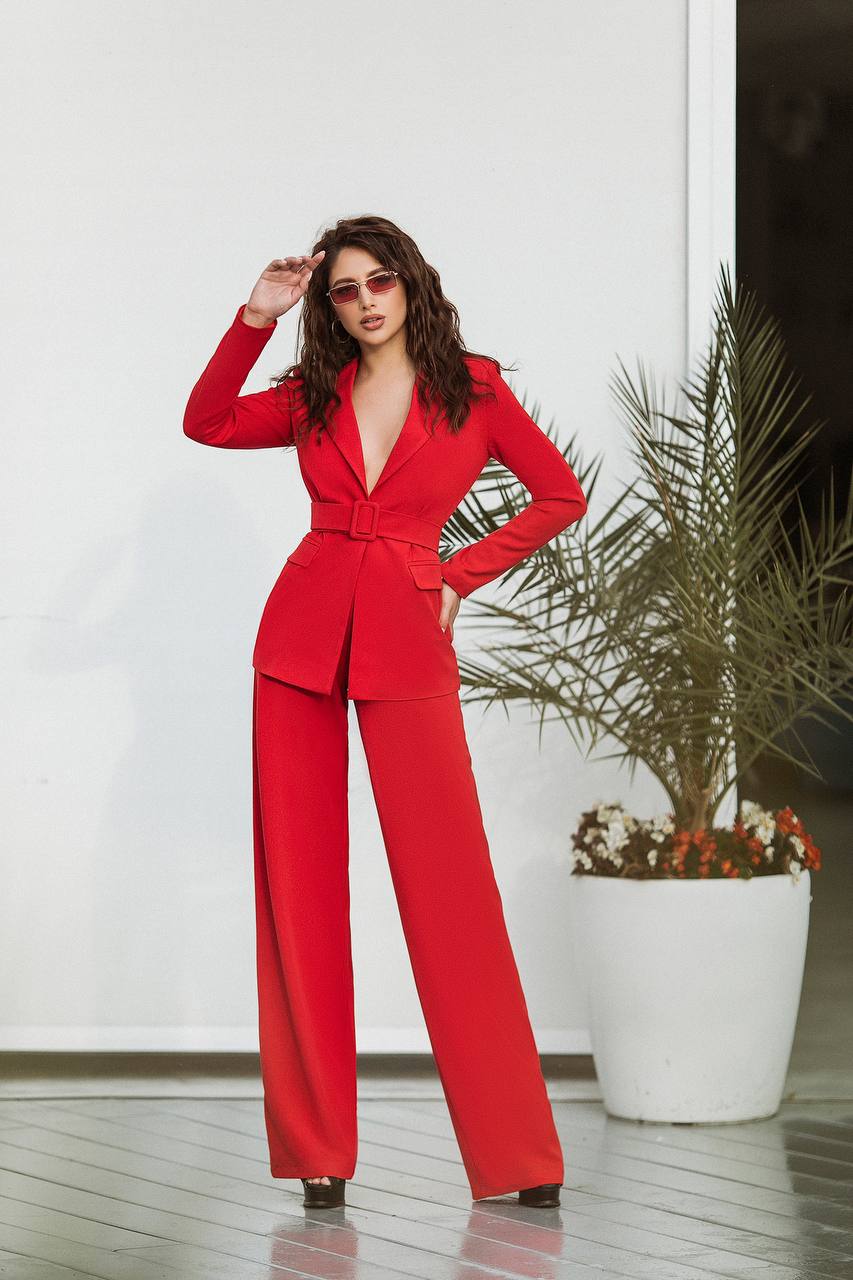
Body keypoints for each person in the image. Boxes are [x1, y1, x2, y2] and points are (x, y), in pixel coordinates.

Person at [182, 215, 587, 1210]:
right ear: (329, 308)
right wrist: (251, 316)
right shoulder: (310, 392)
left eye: (379, 282)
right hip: (297, 644)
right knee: (299, 893)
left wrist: (458, 572)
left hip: (406, 637)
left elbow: (557, 495)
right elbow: (205, 419)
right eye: (344, 290)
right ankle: (319, 1150)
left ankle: (518, 1154)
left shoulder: (474, 388)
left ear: (411, 284)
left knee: (452, 891)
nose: (364, 301)